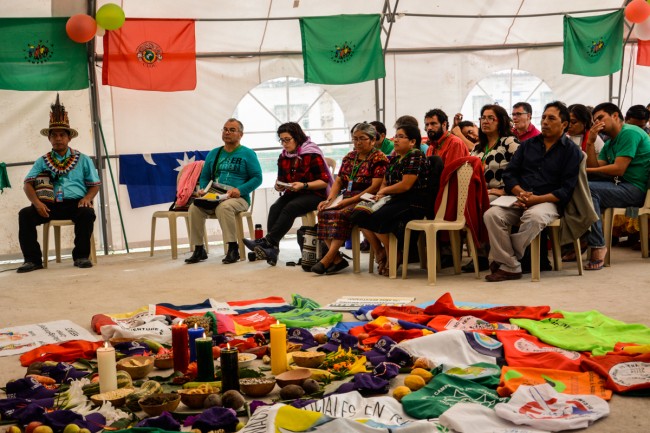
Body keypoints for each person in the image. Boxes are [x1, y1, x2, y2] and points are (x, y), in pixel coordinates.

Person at [483, 101, 582, 282]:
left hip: (548, 201)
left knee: (534, 218)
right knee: (492, 215)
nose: (545, 122)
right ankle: (511, 265)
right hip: (519, 196)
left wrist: (535, 199)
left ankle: (504, 260)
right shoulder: (528, 145)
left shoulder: (571, 151)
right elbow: (510, 174)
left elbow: (566, 190)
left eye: (551, 118)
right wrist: (520, 192)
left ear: (564, 124)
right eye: (543, 117)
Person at [17, 94, 101, 273]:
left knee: (86, 213)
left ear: (69, 138)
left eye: (62, 135)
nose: (58, 138)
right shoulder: (42, 160)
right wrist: (37, 203)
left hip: (75, 203)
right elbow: (27, 184)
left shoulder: (83, 159)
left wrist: (87, 197)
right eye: (53, 135)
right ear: (49, 139)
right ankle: (32, 260)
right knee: (25, 215)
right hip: (49, 205)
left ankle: (81, 256)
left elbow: (95, 184)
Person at [242, 122, 332, 266]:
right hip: (295, 192)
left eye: (287, 139)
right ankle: (272, 248)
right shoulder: (284, 157)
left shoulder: (311, 153)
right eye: (281, 140)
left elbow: (324, 181)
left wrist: (304, 185)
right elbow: (282, 181)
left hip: (316, 194)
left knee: (291, 207)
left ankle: (269, 243)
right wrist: (279, 186)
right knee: (275, 207)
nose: (284, 144)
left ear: (297, 138)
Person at [313, 122, 388, 275]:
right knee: (323, 212)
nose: (357, 142)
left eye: (362, 138)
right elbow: (339, 180)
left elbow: (375, 186)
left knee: (342, 213)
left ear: (373, 140)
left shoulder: (379, 158)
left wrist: (350, 201)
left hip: (367, 196)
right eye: (354, 139)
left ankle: (328, 259)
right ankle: (337, 259)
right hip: (347, 195)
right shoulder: (350, 156)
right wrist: (329, 199)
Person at [185, 118, 263, 265]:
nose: (227, 133)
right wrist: (203, 189)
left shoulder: (247, 154)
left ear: (241, 134)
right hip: (215, 195)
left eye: (232, 130)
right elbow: (205, 176)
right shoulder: (214, 153)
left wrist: (240, 190)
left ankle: (233, 248)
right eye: (225, 129)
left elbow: (257, 178)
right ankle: (199, 249)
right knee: (194, 207)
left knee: (224, 207)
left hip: (238, 198)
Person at [353, 125, 428, 276]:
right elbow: (385, 182)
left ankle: (394, 253)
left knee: (377, 217)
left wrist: (383, 191)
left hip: (412, 201)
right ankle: (381, 251)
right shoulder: (394, 158)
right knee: (358, 213)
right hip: (392, 199)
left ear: (412, 141)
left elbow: (406, 185)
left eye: (401, 136)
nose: (396, 139)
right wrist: (380, 194)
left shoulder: (416, 155)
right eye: (396, 136)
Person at [583, 102, 650, 270]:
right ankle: (582, 243)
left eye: (600, 118)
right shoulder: (610, 143)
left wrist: (584, 170)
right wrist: (590, 143)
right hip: (620, 186)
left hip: (635, 189)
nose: (597, 123)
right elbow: (596, 168)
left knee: (586, 188)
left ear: (614, 116)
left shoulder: (630, 133)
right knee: (579, 187)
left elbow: (619, 169)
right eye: (595, 120)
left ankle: (597, 244)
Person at [470, 104, 520, 202]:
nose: (485, 121)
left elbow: (523, 171)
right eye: (483, 118)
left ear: (501, 122)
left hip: (502, 194)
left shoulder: (509, 142)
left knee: (477, 201)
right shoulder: (477, 147)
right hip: (478, 191)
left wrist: (506, 190)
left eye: (491, 118)